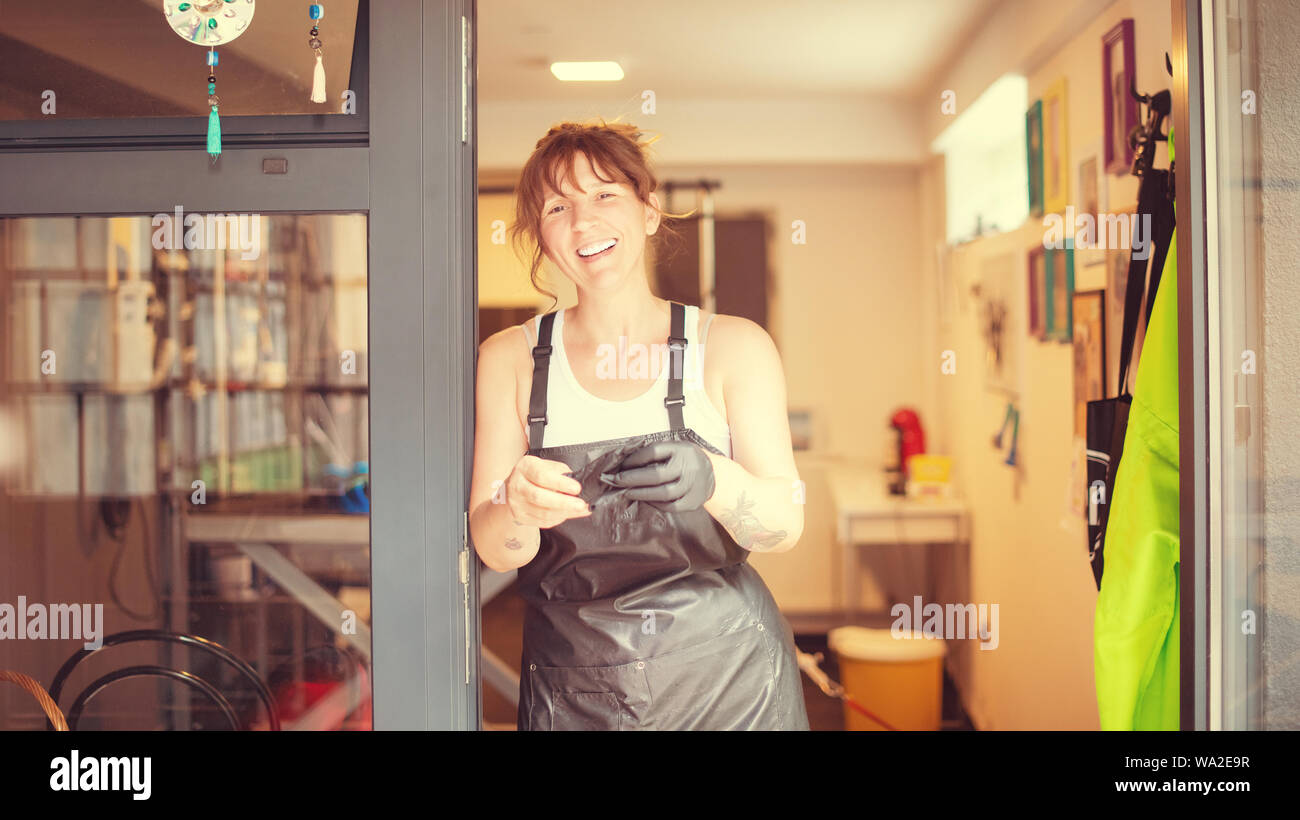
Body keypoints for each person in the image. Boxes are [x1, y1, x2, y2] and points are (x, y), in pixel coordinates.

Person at [469, 120, 810, 730]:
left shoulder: (731, 347)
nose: (583, 222)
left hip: (729, 683)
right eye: (557, 206)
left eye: (605, 195)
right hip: (574, 693)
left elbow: (783, 525)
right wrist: (515, 505)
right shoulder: (509, 360)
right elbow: (496, 551)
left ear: (649, 211)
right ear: (540, 236)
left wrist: (717, 481)